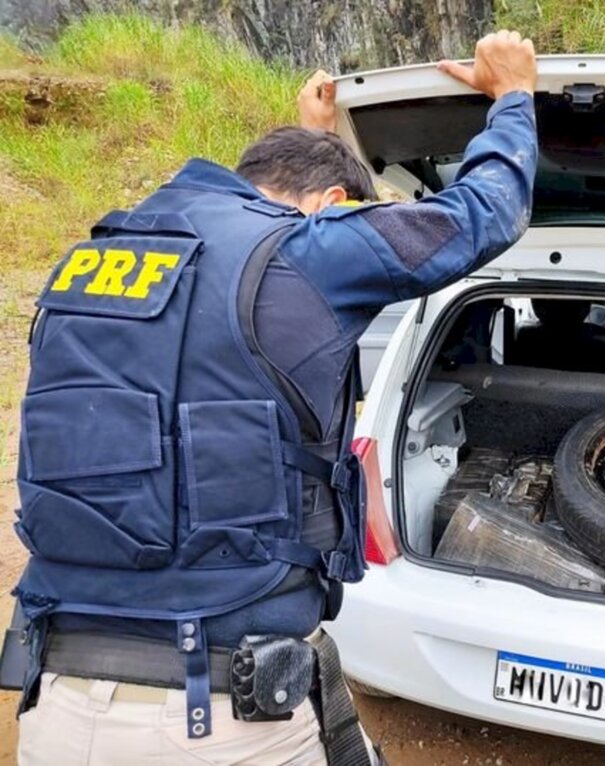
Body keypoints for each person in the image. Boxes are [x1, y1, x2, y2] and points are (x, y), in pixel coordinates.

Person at [10, 29, 537, 765]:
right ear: (325, 207)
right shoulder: (304, 250)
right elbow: (483, 216)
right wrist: (514, 96)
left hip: (57, 707)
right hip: (217, 720)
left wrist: (308, 136)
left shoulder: (91, 262)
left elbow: (224, 288)